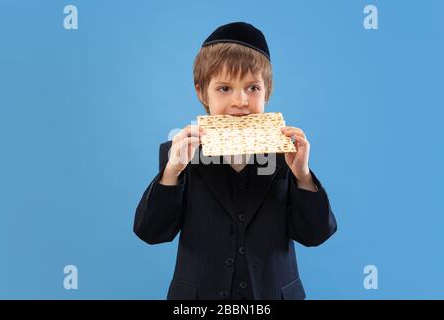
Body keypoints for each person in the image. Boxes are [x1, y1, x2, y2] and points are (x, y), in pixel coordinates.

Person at [134, 22, 337, 300]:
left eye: (252, 87)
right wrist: (172, 172)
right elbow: (151, 232)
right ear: (200, 92)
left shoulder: (286, 155)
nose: (240, 101)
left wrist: (302, 175)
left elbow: (314, 235)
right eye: (224, 88)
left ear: (268, 91)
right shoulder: (180, 155)